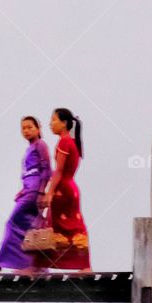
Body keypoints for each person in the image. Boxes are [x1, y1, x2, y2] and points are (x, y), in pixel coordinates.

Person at [0, 115, 51, 274]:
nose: (26, 131)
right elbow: (29, 173)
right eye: (23, 128)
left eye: (30, 127)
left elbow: (46, 170)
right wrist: (23, 190)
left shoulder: (41, 145)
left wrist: (40, 192)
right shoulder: (30, 148)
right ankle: (35, 265)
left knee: (12, 224)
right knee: (31, 228)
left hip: (34, 192)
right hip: (29, 190)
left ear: (38, 128)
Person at [34, 108, 90, 271]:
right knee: (72, 226)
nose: (50, 124)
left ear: (64, 123)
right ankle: (83, 265)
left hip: (62, 190)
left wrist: (49, 192)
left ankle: (38, 265)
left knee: (55, 227)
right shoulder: (72, 142)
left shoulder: (64, 142)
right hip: (71, 189)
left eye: (54, 120)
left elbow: (59, 171)